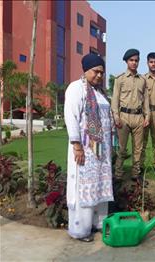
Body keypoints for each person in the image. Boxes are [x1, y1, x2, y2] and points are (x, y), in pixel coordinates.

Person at [64, 53, 114, 242]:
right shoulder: (76, 89)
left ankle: (98, 223)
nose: (100, 76)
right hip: (85, 150)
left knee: (99, 187)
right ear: (86, 70)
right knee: (83, 188)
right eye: (96, 72)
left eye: (102, 72)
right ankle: (81, 230)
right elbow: (71, 117)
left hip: (101, 152)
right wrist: (77, 145)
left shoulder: (100, 92)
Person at [111, 49, 150, 183]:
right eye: (131, 60)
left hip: (138, 117)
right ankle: (118, 174)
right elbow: (115, 100)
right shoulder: (120, 79)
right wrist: (116, 117)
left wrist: (147, 116)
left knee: (138, 149)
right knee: (121, 148)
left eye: (136, 60)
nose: (134, 63)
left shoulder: (143, 80)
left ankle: (135, 174)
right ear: (127, 62)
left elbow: (146, 100)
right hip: (124, 116)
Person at [140, 52, 155, 175]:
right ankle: (141, 164)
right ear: (147, 63)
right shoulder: (142, 78)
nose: (153, 64)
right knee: (142, 140)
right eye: (151, 62)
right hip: (144, 113)